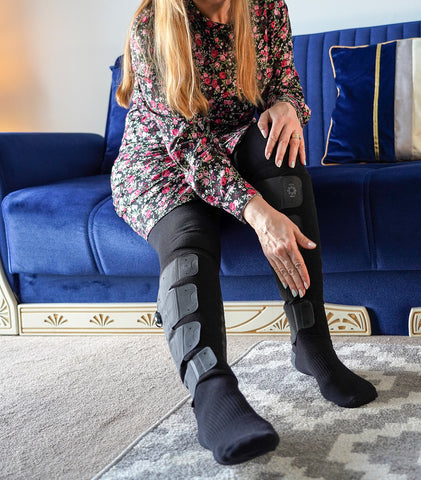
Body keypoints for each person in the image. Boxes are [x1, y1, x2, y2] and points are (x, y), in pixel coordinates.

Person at [112, 0, 377, 466]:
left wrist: (288, 105)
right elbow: (189, 148)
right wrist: (258, 214)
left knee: (280, 151)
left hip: (233, 144)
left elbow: (284, 80)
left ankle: (312, 345)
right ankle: (213, 393)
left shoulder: (266, 6)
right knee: (190, 237)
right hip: (163, 162)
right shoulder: (153, 26)